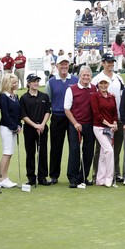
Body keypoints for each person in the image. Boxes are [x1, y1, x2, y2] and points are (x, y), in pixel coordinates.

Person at [92, 53, 125, 183]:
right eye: (108, 62)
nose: (110, 64)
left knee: (115, 148)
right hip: (102, 120)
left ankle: (115, 173)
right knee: (100, 149)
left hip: (117, 118)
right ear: (103, 63)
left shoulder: (119, 78)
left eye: (112, 61)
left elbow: (121, 98)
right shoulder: (97, 78)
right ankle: (97, 174)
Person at [46, 55, 79, 185]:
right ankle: (54, 175)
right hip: (57, 117)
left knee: (74, 147)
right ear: (57, 66)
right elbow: (48, 100)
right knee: (56, 147)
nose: (64, 66)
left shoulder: (76, 80)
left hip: (72, 118)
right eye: (61, 64)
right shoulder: (51, 82)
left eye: (66, 64)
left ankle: (73, 175)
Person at [64, 66, 97, 188]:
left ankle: (83, 177)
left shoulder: (94, 89)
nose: (86, 77)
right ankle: (72, 178)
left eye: (88, 75)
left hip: (90, 124)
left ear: (91, 77)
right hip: (75, 124)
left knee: (88, 152)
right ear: (79, 76)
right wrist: (75, 123)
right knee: (74, 151)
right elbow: (67, 109)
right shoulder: (71, 89)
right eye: (84, 75)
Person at [20, 74, 51, 186]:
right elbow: (23, 115)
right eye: (34, 81)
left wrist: (42, 125)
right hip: (29, 128)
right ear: (28, 83)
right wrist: (35, 126)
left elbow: (47, 112)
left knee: (42, 152)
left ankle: (42, 177)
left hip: (42, 128)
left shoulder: (44, 96)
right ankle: (31, 177)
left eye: (37, 81)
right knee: (30, 153)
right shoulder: (24, 98)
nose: (36, 83)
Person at [91, 74, 118, 187]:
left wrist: (115, 123)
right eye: (101, 83)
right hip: (99, 127)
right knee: (109, 151)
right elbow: (96, 114)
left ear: (108, 84)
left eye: (105, 83)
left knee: (103, 153)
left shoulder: (112, 97)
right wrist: (110, 124)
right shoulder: (95, 96)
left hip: (109, 128)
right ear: (98, 84)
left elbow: (114, 113)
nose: (103, 85)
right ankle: (109, 178)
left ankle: (100, 179)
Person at [0, 73, 22, 188]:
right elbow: (5, 115)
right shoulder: (3, 96)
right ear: (8, 84)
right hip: (6, 128)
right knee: (7, 152)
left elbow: (18, 113)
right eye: (14, 82)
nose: (16, 84)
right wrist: (14, 127)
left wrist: (19, 125)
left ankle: (5, 177)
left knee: (10, 153)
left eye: (17, 82)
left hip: (14, 127)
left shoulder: (15, 96)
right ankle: (1, 179)